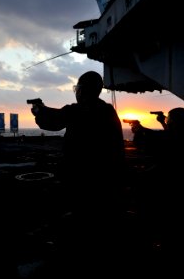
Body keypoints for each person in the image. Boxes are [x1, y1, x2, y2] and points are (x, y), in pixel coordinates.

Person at [30, 71, 131, 277]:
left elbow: (53, 121)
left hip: (82, 177)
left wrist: (38, 111)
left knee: (83, 219)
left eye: (78, 88)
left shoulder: (79, 110)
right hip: (108, 177)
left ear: (82, 90)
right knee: (101, 220)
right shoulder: (107, 110)